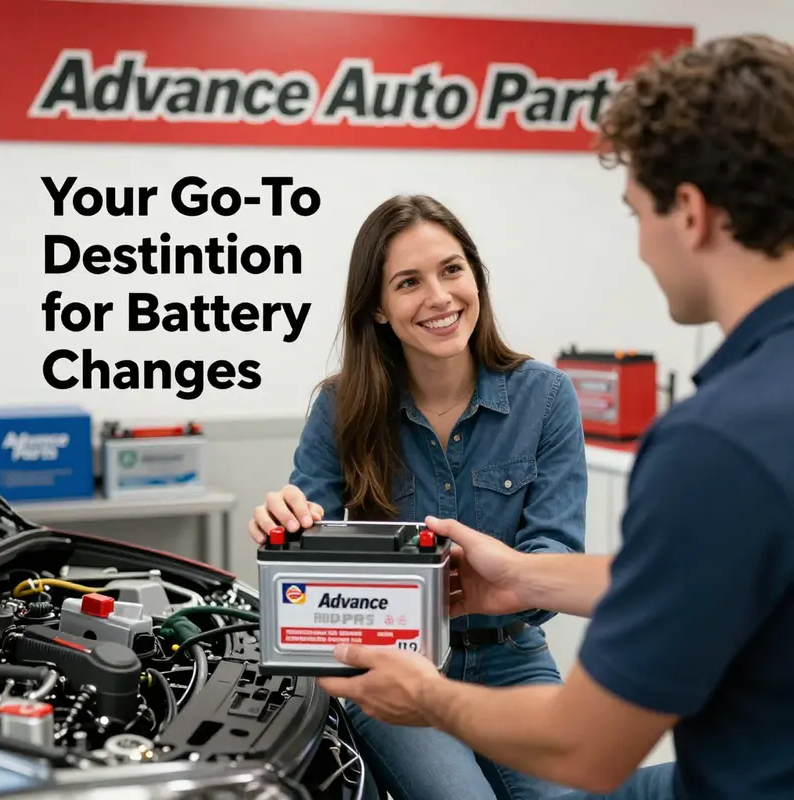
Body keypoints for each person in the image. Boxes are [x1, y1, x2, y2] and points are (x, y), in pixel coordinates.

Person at [314, 33, 794, 800]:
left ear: (693, 215)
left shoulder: (716, 441)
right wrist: (522, 576)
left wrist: (427, 693)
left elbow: (588, 748)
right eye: (408, 283)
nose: (639, 247)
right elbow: (690, 579)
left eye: (637, 214)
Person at [248, 193, 588, 799]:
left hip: (512, 660)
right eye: (408, 282)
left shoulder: (547, 397)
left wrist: (494, 578)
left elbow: (556, 551)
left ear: (475, 277)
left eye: (452, 270)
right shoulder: (340, 407)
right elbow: (307, 537)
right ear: (377, 309)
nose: (439, 297)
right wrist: (285, 523)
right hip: (391, 668)